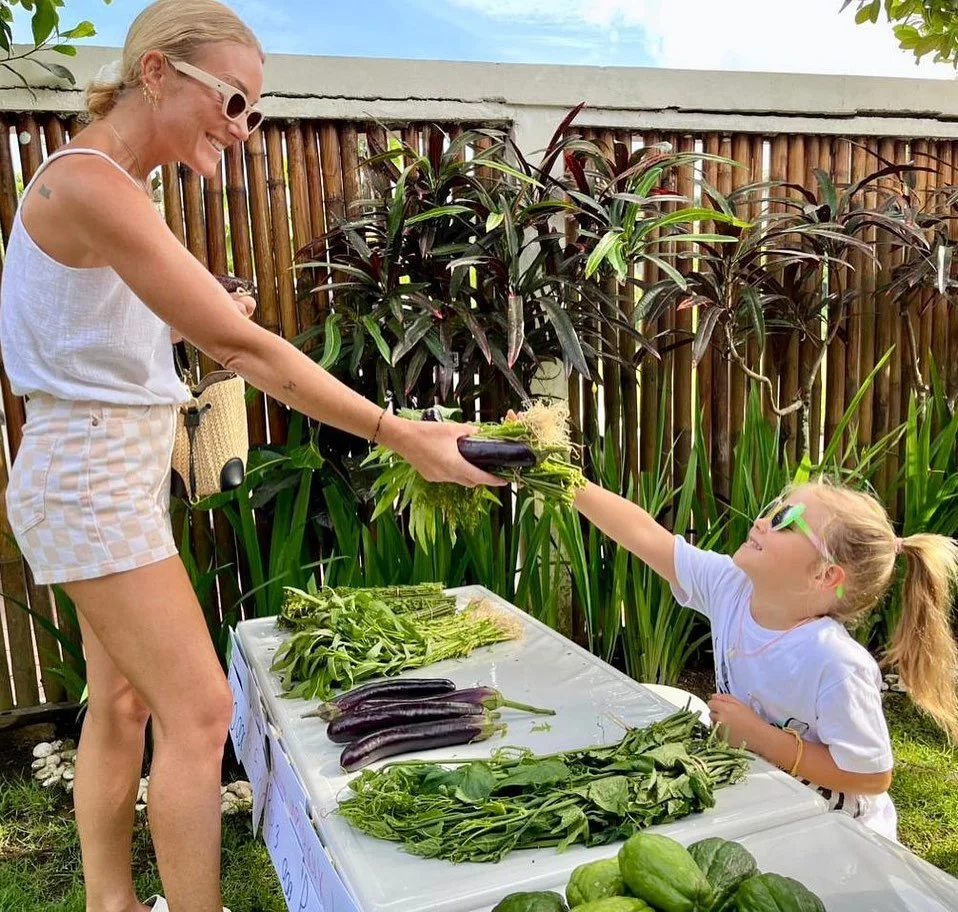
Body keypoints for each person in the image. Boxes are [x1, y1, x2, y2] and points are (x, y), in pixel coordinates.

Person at [0, 2, 503, 911]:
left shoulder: (109, 186)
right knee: (202, 712)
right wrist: (403, 435)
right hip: (90, 480)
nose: (242, 129)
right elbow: (246, 351)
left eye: (253, 112)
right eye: (234, 102)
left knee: (124, 706)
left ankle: (110, 904)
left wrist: (190, 317)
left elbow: (93, 341)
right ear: (157, 72)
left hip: (95, 472)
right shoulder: (90, 182)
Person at [574, 475, 958, 842]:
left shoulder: (835, 663)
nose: (761, 521)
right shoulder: (732, 589)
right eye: (775, 508)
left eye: (785, 521)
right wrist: (565, 481)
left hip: (841, 838)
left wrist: (760, 737)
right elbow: (644, 535)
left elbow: (871, 777)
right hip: (773, 807)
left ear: (825, 575)